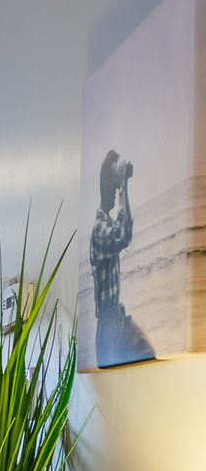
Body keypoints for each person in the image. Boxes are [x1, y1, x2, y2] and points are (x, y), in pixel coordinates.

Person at [90, 149, 154, 366]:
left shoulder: (106, 224)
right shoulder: (99, 229)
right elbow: (123, 235)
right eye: (114, 177)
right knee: (146, 354)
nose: (117, 183)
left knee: (148, 354)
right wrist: (123, 186)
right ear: (107, 183)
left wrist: (122, 182)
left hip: (116, 317)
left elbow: (124, 229)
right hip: (109, 325)